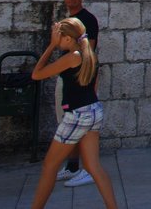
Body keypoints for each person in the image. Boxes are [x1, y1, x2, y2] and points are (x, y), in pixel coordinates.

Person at [30, 17, 117, 209]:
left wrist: (51, 46)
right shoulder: (89, 54)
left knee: (49, 166)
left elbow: (37, 74)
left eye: (58, 36)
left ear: (68, 39)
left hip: (77, 115)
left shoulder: (72, 57)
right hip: (93, 111)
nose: (56, 39)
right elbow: (93, 86)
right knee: (93, 167)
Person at [56, 0, 100, 188]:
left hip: (80, 81)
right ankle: (73, 166)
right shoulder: (67, 20)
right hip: (66, 79)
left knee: (82, 126)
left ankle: (89, 169)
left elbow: (87, 52)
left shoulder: (88, 20)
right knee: (67, 123)